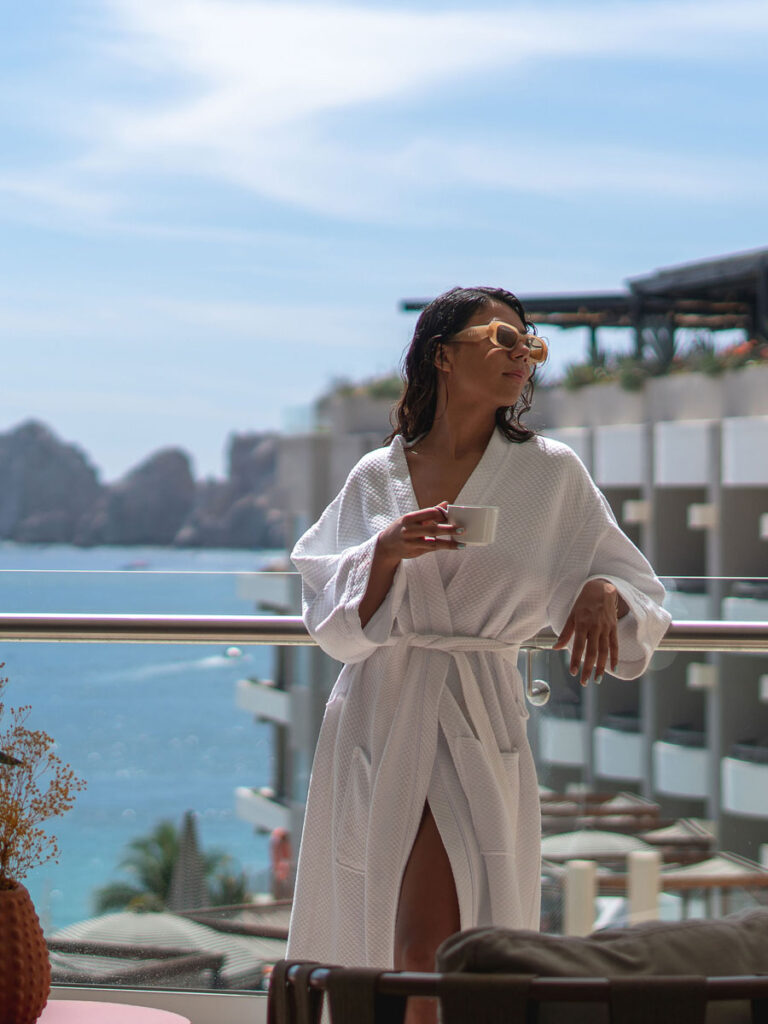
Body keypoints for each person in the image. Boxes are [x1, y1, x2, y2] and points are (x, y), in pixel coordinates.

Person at [286, 286, 670, 1021]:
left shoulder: (549, 475)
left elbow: (639, 585)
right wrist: (386, 551)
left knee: (450, 944)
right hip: (381, 709)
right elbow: (325, 611)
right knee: (403, 939)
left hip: (478, 705)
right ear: (441, 356)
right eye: (500, 339)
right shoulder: (377, 478)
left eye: (530, 344)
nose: (520, 355)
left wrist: (602, 591)